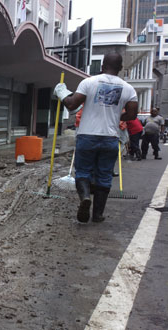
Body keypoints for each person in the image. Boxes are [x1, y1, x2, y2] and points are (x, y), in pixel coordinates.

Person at [54, 52, 138, 223]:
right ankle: (97, 214)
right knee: (104, 176)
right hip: (110, 138)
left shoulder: (89, 82)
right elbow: (132, 114)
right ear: (120, 68)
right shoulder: (128, 89)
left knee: (83, 172)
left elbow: (71, 104)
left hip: (87, 136)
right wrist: (116, 117)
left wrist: (62, 93)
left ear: (102, 66)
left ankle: (85, 198)